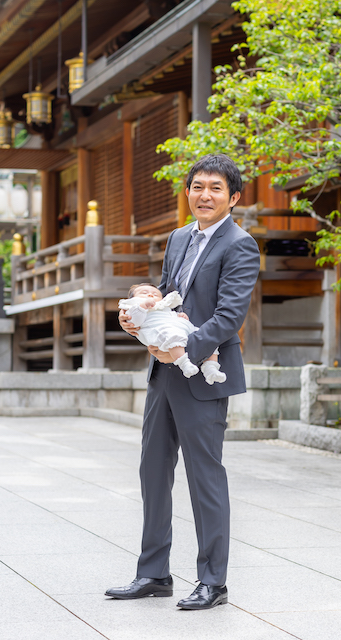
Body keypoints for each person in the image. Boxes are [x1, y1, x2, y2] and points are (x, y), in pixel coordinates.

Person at [105, 154, 260, 610]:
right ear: (188, 192)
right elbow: (169, 294)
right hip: (162, 373)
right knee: (153, 470)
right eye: (197, 186)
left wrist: (183, 350)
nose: (204, 195)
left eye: (215, 188)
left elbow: (230, 316)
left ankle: (214, 581)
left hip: (203, 375)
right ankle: (153, 573)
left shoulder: (240, 244)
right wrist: (143, 315)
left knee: (204, 476)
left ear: (233, 197)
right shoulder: (177, 238)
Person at [118, 283, 226, 384]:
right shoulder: (133, 307)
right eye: (144, 293)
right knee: (173, 336)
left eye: (155, 294)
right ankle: (184, 363)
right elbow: (134, 321)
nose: (150, 294)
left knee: (205, 338)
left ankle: (210, 368)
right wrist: (142, 306)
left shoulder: (163, 307)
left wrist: (181, 317)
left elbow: (169, 315)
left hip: (177, 327)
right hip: (159, 331)